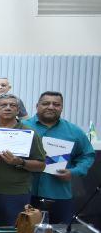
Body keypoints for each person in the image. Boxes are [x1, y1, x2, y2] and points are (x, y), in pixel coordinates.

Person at [25, 91, 95, 224]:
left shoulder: (74, 131)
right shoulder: (23, 127)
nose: (51, 107)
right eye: (46, 103)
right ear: (37, 105)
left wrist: (74, 172)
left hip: (59, 194)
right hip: (26, 193)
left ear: (61, 107)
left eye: (56, 104)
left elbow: (87, 155)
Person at [0, 94, 46, 227]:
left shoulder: (29, 133)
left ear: (18, 110)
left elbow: (41, 165)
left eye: (13, 105)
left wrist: (21, 162)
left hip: (16, 193)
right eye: (3, 105)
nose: (8, 108)